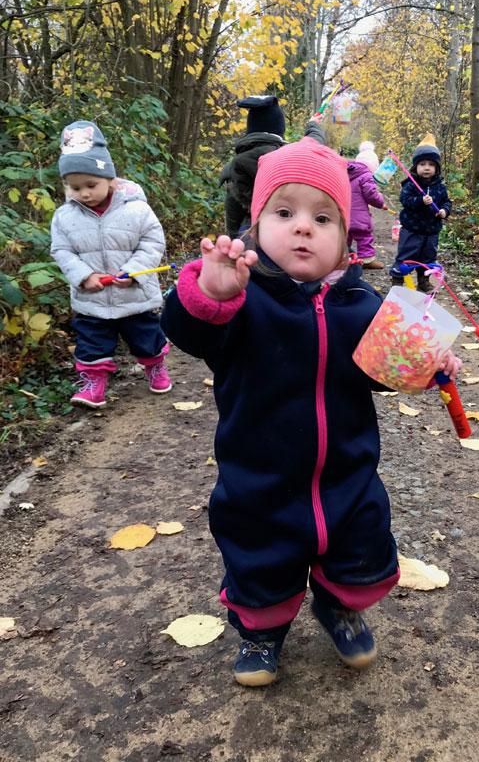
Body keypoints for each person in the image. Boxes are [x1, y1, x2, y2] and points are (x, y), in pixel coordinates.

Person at [161, 137, 462, 687]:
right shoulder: (240, 299)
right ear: (254, 226)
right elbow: (186, 330)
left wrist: (424, 362)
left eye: (324, 218)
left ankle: (339, 607)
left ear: (347, 239)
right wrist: (210, 292)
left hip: (347, 475)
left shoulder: (362, 304)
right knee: (260, 562)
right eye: (285, 212)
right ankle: (262, 631)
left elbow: (381, 374)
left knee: (360, 553)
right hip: (259, 479)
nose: (304, 227)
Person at [50, 120, 171, 408]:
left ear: (111, 181)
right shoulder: (64, 217)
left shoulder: (137, 209)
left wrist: (135, 272)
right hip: (91, 298)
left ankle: (155, 365)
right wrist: (83, 275)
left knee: (146, 337)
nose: (84, 194)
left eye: (91, 185)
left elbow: (153, 242)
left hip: (134, 297)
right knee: (91, 343)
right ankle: (93, 384)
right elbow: (62, 250)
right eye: (75, 187)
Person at [218, 95, 326, 237]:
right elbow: (313, 145)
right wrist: (313, 125)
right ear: (280, 130)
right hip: (289, 235)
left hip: (251, 237)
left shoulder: (234, 165)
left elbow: (233, 214)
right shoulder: (286, 156)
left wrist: (233, 245)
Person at [389, 134, 452, 292]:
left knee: (428, 258)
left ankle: (423, 282)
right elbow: (405, 200)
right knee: (406, 257)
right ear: (415, 167)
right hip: (412, 230)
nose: (426, 168)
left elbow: (446, 201)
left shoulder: (440, 186)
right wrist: (420, 201)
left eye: (431, 164)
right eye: (422, 164)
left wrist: (444, 211)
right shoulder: (410, 185)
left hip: (431, 231)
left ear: (436, 168)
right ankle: (397, 282)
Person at [348, 140, 386, 270]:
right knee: (364, 236)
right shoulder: (366, 176)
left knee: (344, 238)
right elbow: (371, 195)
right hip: (359, 216)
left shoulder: (347, 173)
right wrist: (380, 202)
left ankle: (340, 259)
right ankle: (367, 260)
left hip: (343, 215)